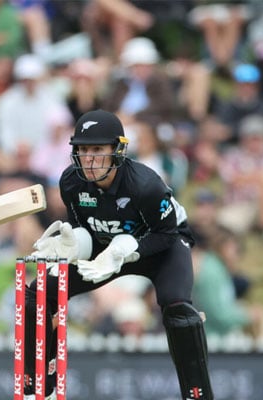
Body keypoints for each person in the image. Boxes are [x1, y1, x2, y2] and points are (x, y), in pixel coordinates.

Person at [25, 109, 213, 399]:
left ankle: (197, 394)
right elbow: (82, 229)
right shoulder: (71, 183)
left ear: (118, 150)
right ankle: (39, 390)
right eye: (83, 150)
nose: (89, 159)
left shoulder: (146, 185)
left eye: (98, 149)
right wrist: (73, 244)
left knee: (178, 310)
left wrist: (129, 250)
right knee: (38, 293)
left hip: (159, 245)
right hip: (104, 250)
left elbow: (167, 233)